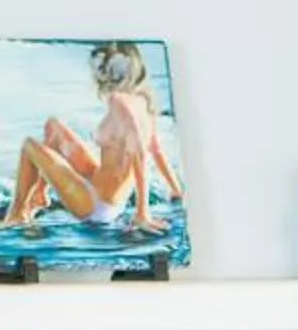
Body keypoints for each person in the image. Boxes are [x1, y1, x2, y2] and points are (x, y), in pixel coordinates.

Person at [11, 43, 183, 233]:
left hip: (95, 205)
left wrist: (143, 213)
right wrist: (176, 190)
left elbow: (140, 154)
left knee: (29, 146)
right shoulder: (142, 101)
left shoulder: (121, 103)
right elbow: (156, 151)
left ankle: (17, 214)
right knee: (54, 127)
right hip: (101, 187)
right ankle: (41, 193)